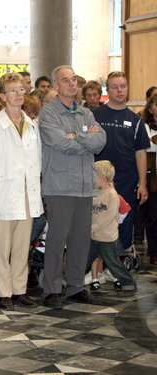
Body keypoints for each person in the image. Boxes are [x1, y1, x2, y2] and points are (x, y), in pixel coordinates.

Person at [39, 65, 106, 308]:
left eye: (74, 79)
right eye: (65, 80)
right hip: (60, 186)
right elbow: (60, 144)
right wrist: (84, 139)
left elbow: (100, 142)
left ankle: (76, 286)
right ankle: (52, 289)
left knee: (80, 240)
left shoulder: (86, 114)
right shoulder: (48, 114)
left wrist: (75, 137)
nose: (71, 84)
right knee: (57, 242)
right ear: (56, 86)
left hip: (84, 186)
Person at [0, 73, 43, 310]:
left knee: (22, 246)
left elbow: (37, 160)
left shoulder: (32, 125)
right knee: (3, 247)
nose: (18, 94)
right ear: (2, 96)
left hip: (27, 192)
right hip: (2, 193)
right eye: (13, 90)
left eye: (21, 90)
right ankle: (4, 293)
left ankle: (19, 291)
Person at [94, 71, 150, 252]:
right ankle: (96, 266)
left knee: (123, 218)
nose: (119, 90)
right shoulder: (94, 115)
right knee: (97, 218)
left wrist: (142, 184)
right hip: (98, 179)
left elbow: (141, 153)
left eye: (123, 86)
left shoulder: (136, 120)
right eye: (114, 87)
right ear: (108, 90)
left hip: (126, 179)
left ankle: (119, 259)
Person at [87, 161, 136, 292]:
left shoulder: (112, 196)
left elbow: (108, 218)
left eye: (93, 176)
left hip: (107, 237)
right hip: (94, 235)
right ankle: (70, 278)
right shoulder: (95, 192)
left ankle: (128, 281)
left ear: (103, 178)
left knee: (112, 263)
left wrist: (91, 227)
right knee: (85, 260)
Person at [142, 93, 157, 264]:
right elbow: (146, 146)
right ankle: (154, 251)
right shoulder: (145, 125)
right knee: (153, 216)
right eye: (155, 105)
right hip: (151, 177)